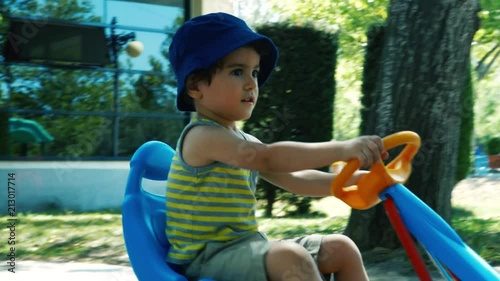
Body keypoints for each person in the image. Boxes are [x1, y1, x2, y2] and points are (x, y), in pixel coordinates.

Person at [166, 12, 387, 281]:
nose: (251, 84)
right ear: (195, 85)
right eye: (237, 71)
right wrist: (342, 149)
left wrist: (349, 181)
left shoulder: (245, 145)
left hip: (247, 248)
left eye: (255, 72)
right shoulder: (201, 136)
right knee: (289, 257)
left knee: (341, 248)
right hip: (205, 258)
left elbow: (295, 178)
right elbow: (271, 159)